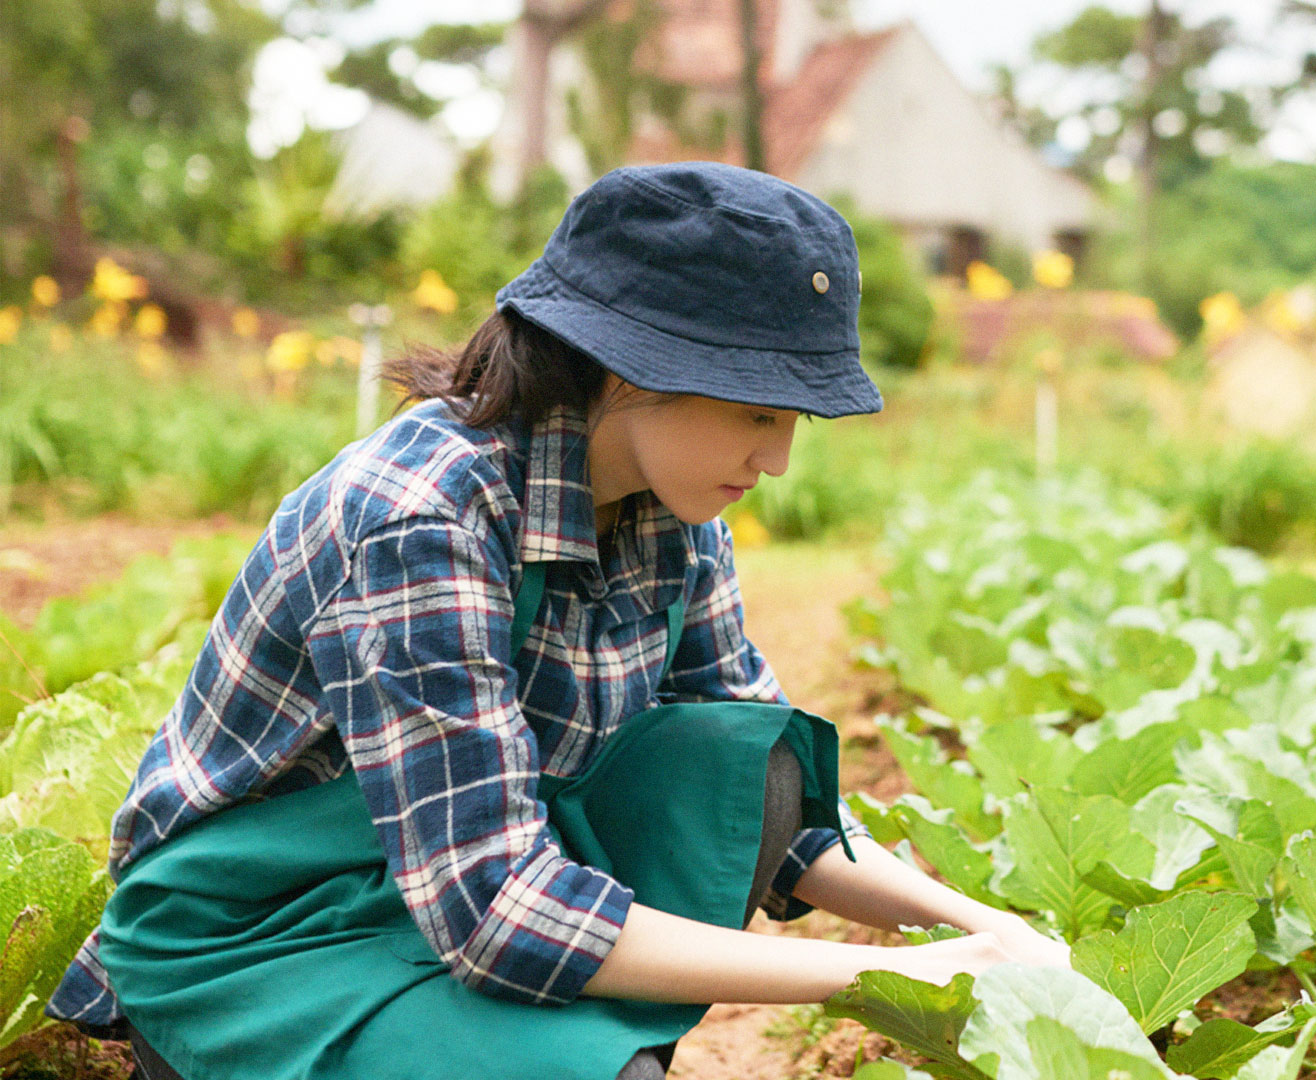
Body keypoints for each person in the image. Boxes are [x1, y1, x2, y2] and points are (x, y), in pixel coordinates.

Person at [46, 163, 1066, 1080]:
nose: (779, 459)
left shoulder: (676, 511)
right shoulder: (420, 516)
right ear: (632, 367)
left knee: (759, 762)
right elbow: (496, 911)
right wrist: (902, 982)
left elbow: (784, 817)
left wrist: (976, 927)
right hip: (265, 934)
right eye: (761, 412)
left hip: (433, 894)